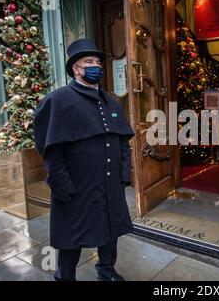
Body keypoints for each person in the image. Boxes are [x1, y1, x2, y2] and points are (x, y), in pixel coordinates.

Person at [33, 39, 135, 281]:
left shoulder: (109, 101)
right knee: (71, 237)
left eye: (98, 62)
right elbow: (51, 152)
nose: (95, 66)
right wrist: (62, 186)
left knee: (110, 232)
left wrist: (123, 175)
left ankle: (106, 271)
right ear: (75, 68)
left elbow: (122, 142)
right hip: (76, 188)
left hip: (110, 185)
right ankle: (65, 277)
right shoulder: (57, 100)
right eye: (88, 62)